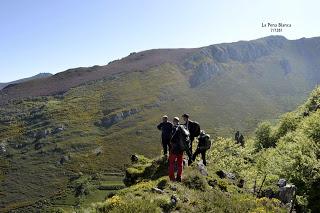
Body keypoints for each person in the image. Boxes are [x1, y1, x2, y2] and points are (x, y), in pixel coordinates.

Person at [169, 117, 187, 182]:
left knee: (171, 163)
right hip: (181, 149)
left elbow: (172, 140)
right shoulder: (183, 128)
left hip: (174, 150)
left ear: (174, 121)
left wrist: (172, 145)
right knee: (180, 163)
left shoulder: (174, 128)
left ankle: (172, 178)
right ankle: (179, 177)